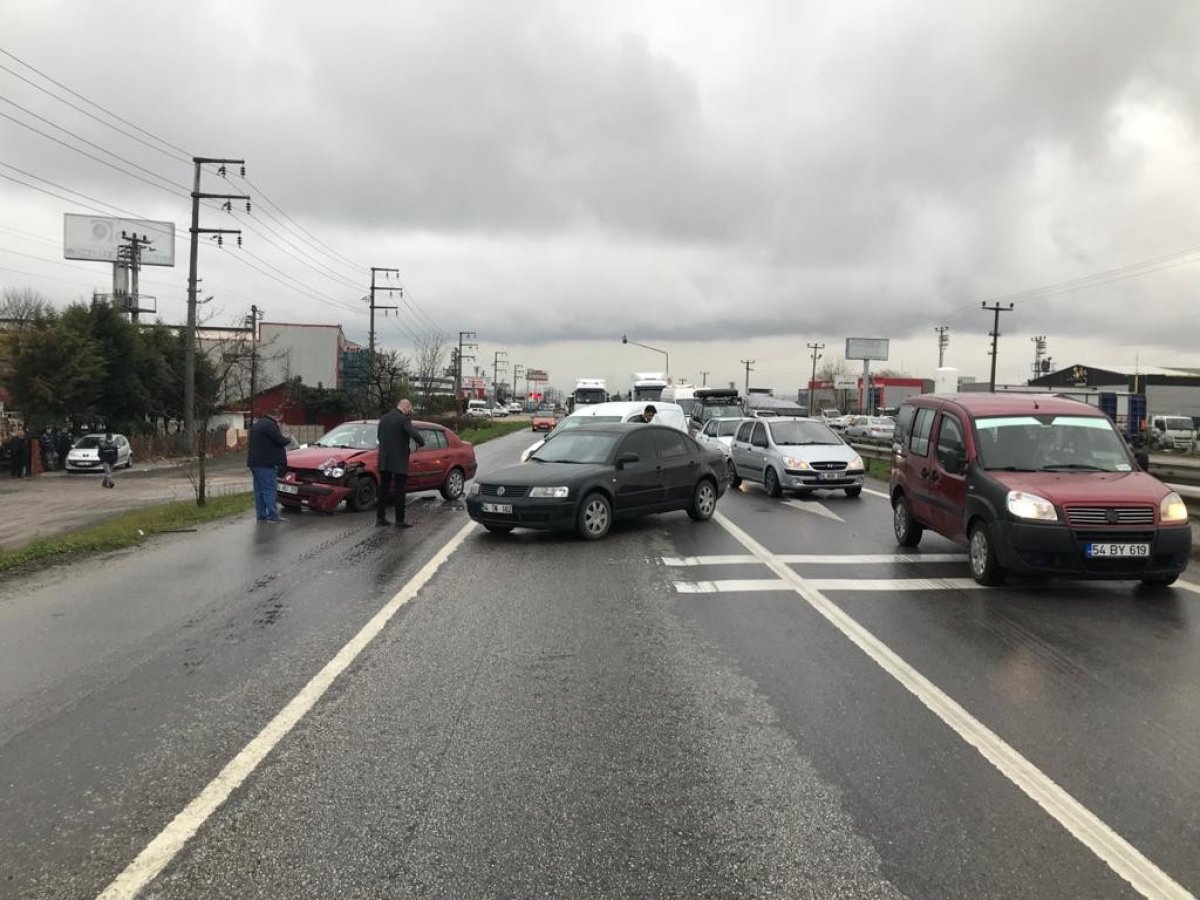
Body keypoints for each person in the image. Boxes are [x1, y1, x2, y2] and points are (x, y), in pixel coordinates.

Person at [376, 397, 425, 527]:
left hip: (384, 459)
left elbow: (379, 436)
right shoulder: (404, 419)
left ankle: (380, 519)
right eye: (410, 410)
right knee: (400, 490)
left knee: (383, 490)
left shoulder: (384, 418)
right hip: (399, 460)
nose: (409, 412)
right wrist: (421, 442)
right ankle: (399, 520)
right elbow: (414, 434)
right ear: (407, 408)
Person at [247, 408, 291, 522]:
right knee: (269, 489)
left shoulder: (257, 424)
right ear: (277, 416)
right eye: (280, 418)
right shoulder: (270, 425)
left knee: (259, 490)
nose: (280, 420)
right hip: (266, 463)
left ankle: (261, 515)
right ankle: (273, 515)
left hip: (254, 463)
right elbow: (280, 440)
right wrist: (288, 439)